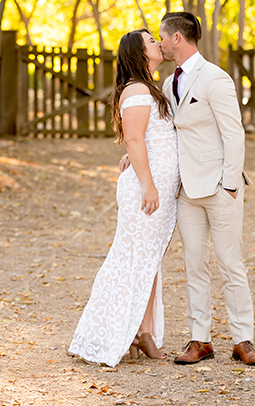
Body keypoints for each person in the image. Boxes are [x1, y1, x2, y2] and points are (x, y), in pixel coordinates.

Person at [68, 29, 179, 367]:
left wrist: (141, 162)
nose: (158, 44)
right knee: (132, 259)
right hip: (148, 190)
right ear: (138, 52)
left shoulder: (148, 87)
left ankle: (142, 331)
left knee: (149, 259)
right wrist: (147, 183)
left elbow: (147, 135)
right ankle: (108, 333)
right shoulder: (136, 89)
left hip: (158, 186)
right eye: (151, 41)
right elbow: (132, 138)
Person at [159, 11, 255, 365]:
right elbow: (168, 134)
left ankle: (243, 340)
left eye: (162, 36)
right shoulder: (166, 85)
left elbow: (234, 133)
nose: (159, 42)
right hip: (186, 191)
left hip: (220, 188)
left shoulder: (215, 78)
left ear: (177, 38)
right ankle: (199, 340)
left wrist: (230, 186)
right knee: (194, 264)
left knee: (230, 263)